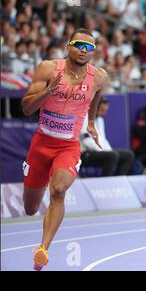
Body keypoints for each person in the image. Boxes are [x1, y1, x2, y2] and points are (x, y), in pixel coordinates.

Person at [21, 28, 108, 270]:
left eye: (89, 47)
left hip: (68, 146)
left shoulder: (99, 76)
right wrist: (47, 92)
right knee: (29, 208)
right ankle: (41, 240)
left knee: (58, 189)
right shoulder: (48, 68)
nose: (83, 50)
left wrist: (90, 122)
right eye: (79, 44)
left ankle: (43, 249)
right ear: (68, 45)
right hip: (41, 144)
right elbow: (26, 108)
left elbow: (97, 95)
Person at [80, 96, 134, 176]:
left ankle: (117, 181)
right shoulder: (84, 118)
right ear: (95, 107)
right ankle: (105, 183)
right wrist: (105, 151)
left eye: (105, 111)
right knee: (112, 156)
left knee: (128, 155)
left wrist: (109, 150)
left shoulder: (100, 119)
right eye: (102, 110)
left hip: (99, 151)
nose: (104, 113)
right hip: (85, 153)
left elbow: (103, 139)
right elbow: (87, 141)